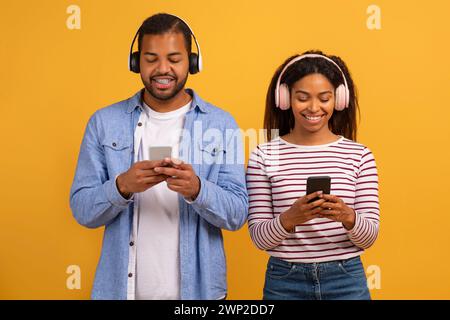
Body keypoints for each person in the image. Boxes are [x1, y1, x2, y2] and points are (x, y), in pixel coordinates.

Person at [70, 13, 248, 300]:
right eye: (151, 59)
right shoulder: (104, 122)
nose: (162, 69)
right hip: (121, 292)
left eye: (174, 59)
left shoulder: (221, 123)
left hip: (198, 295)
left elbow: (237, 213)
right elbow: (82, 209)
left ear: (191, 63)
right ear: (135, 62)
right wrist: (122, 186)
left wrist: (197, 190)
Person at [246, 51, 379, 300]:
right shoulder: (263, 156)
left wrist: (347, 216)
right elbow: (259, 238)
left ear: (338, 100)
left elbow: (369, 235)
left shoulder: (360, 155)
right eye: (303, 98)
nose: (314, 108)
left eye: (324, 98)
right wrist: (291, 217)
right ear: (285, 98)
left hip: (346, 278)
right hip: (284, 281)